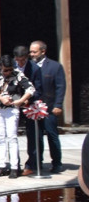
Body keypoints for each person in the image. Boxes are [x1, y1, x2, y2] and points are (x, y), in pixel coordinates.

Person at [0, 54, 34, 178]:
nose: (8, 72)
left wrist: (21, 100)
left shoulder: (17, 75)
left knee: (12, 137)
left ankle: (14, 167)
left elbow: (31, 89)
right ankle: (1, 165)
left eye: (10, 69)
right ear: (0, 67)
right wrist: (0, 98)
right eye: (5, 70)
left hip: (12, 109)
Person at [28, 40, 65, 174]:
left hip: (49, 108)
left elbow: (60, 87)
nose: (31, 54)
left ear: (43, 51)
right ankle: (36, 162)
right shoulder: (28, 66)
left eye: (34, 51)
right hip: (32, 108)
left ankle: (57, 163)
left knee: (52, 135)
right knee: (35, 137)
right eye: (30, 51)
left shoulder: (55, 67)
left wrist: (58, 105)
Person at [13, 45, 44, 176]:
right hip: (13, 103)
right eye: (18, 60)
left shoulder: (35, 68)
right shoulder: (11, 66)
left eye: (22, 60)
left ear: (27, 58)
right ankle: (14, 164)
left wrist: (28, 100)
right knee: (11, 135)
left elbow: (38, 89)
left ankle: (33, 163)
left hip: (29, 104)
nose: (20, 63)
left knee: (33, 135)